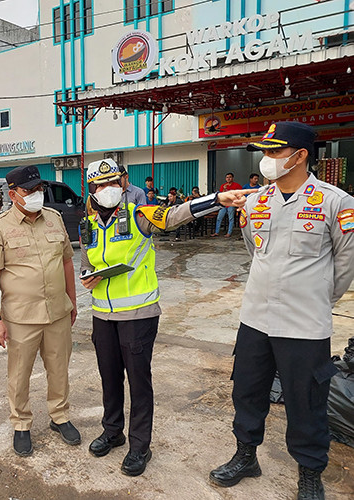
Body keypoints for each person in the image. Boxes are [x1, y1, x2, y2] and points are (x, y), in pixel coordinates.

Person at [79, 159, 253, 477]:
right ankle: (112, 431)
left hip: (138, 315)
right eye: (101, 185)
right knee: (109, 378)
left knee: (139, 381)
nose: (109, 190)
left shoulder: (138, 215)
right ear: (91, 190)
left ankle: (139, 446)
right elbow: (87, 260)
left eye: (114, 183)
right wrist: (87, 275)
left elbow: (174, 216)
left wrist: (216, 199)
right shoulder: (87, 224)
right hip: (102, 315)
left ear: (122, 184)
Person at [209, 122, 354, 500]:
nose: (267, 159)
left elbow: (345, 265)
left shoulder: (335, 201)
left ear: (301, 155)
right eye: (267, 151)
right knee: (248, 390)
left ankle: (309, 472)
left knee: (306, 400)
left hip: (304, 324)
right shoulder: (255, 201)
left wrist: (317, 299)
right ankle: (245, 455)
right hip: (256, 318)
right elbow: (255, 251)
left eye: (275, 151)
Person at [0, 165, 79, 457]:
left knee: (59, 369)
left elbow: (66, 263)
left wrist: (71, 301)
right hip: (21, 317)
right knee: (19, 374)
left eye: (39, 189)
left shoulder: (55, 219)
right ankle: (21, 424)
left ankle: (59, 416)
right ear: (12, 194)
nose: (37, 194)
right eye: (29, 190)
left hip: (57, 312)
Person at [211, 173, 242, 237]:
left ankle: (229, 233)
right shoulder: (223, 186)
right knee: (219, 218)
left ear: (233, 178)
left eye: (230, 177)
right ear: (225, 178)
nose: (228, 178)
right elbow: (221, 196)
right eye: (227, 177)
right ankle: (216, 232)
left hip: (232, 204)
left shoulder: (237, 186)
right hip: (224, 205)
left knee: (231, 218)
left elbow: (240, 194)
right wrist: (224, 189)